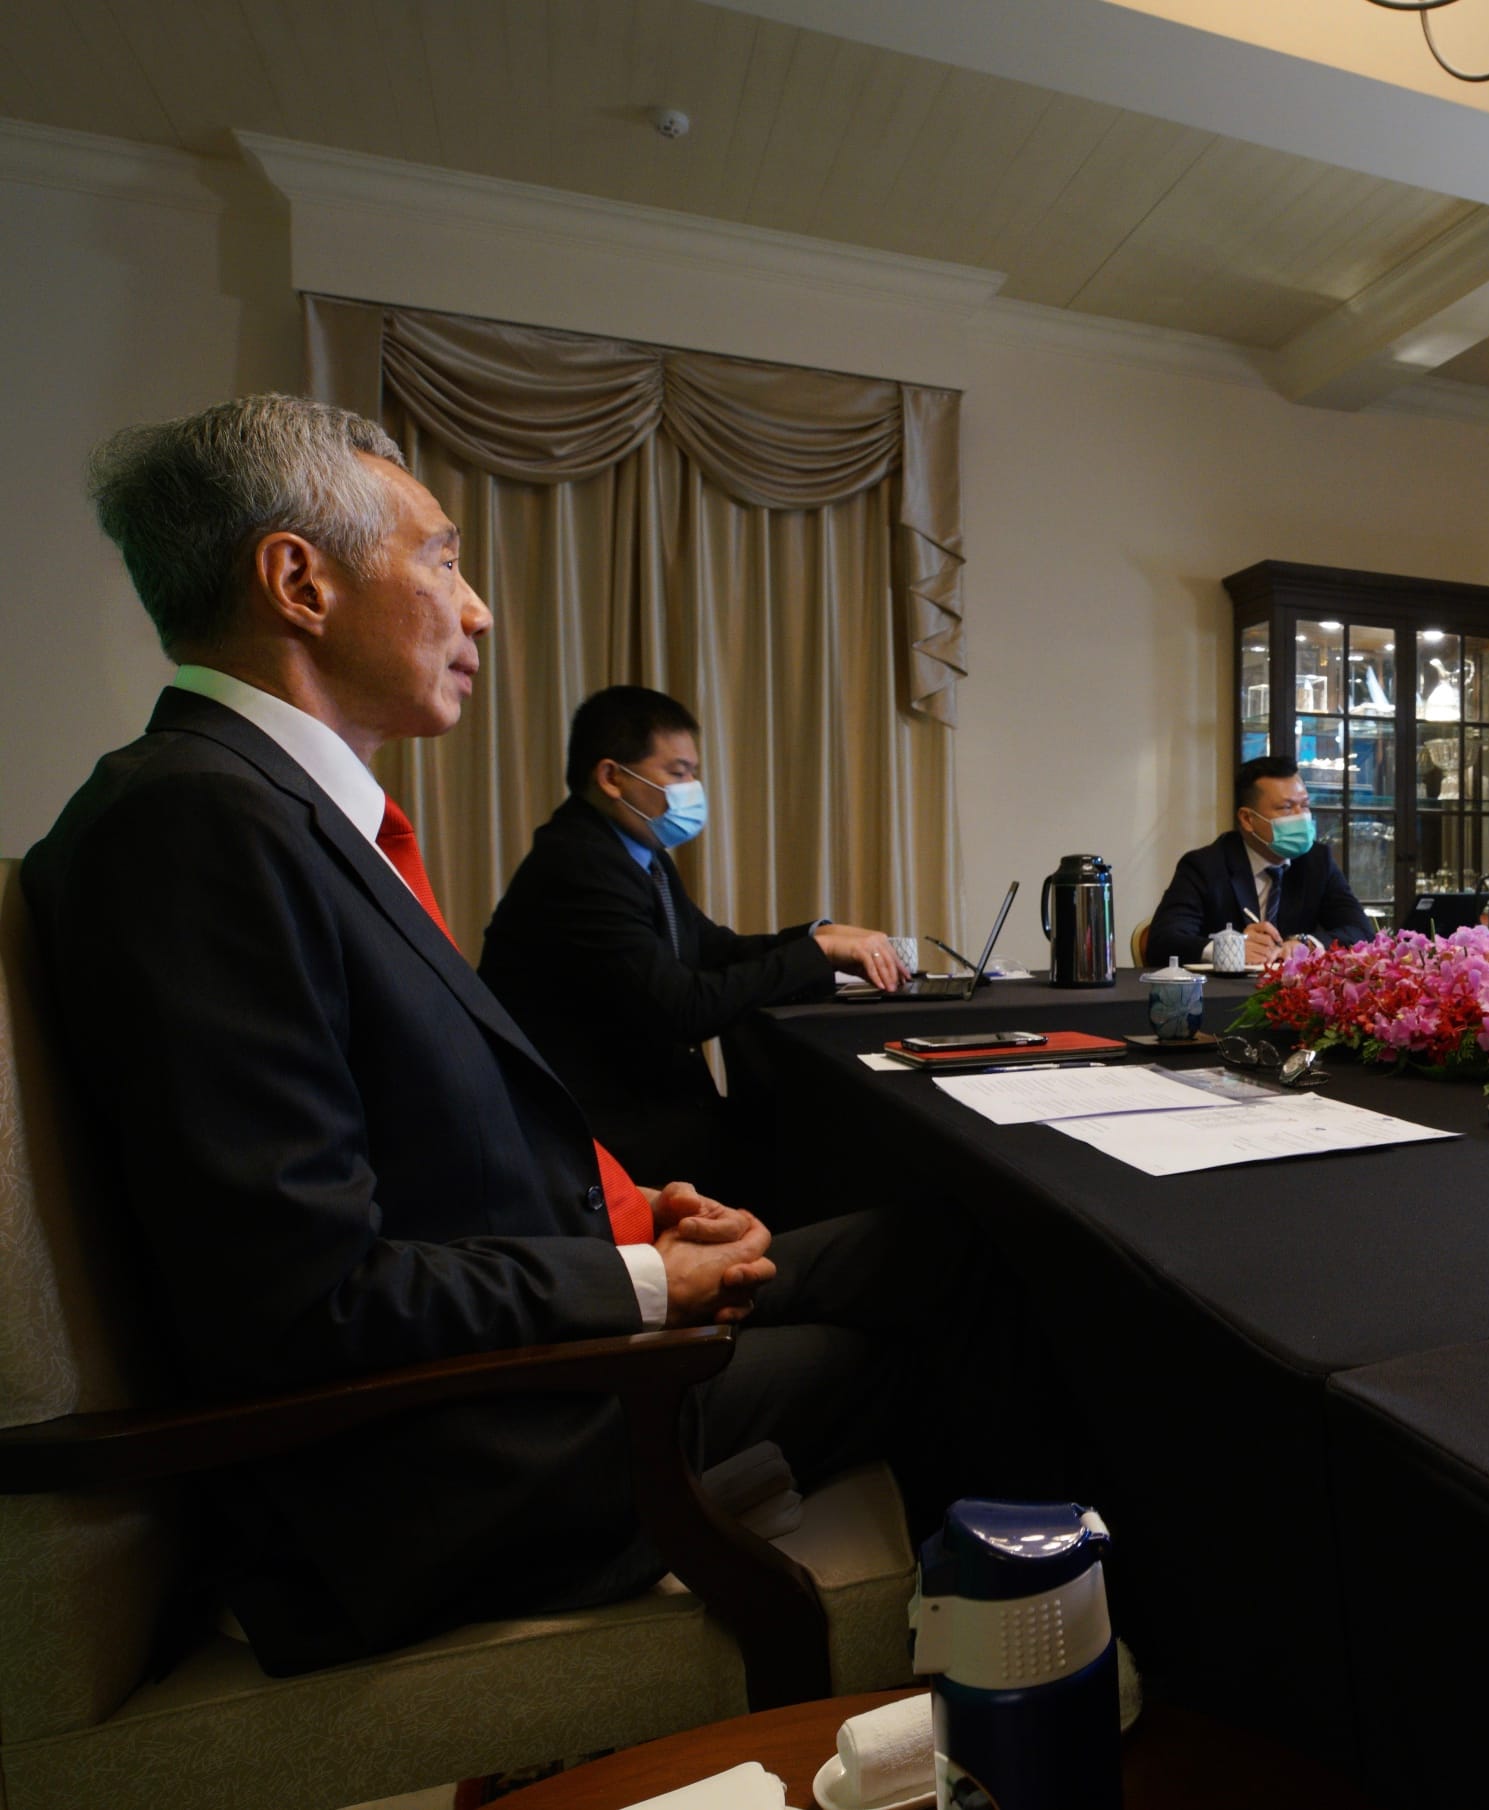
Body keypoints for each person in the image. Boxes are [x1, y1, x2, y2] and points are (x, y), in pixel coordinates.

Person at [21, 396, 993, 1674]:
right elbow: (303, 1300)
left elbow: (416, 1139)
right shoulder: (193, 828)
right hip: (450, 1460)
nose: (476, 610)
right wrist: (644, 1283)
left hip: (518, 1340)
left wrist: (638, 1216)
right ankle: (1008, 1669)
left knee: (937, 1237)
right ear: (299, 581)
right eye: (441, 558)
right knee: (949, 1316)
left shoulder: (266, 811)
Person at [477, 686, 904, 1202]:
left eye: (693, 773)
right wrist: (817, 955)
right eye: (677, 773)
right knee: (847, 1169)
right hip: (603, 1145)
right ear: (611, 777)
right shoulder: (580, 867)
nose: (692, 789)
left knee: (837, 1152)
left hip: (654, 1113)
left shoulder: (634, 852)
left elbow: (709, 947)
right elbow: (683, 1008)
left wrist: (818, 937)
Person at [1145, 754, 1372, 967]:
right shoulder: (1204, 866)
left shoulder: (1317, 861)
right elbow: (1162, 941)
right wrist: (1228, 949)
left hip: (1293, 991)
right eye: (1286, 808)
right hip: (1222, 992)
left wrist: (1306, 944)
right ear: (1247, 819)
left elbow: (1361, 932)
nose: (1301, 817)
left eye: (1304, 805)